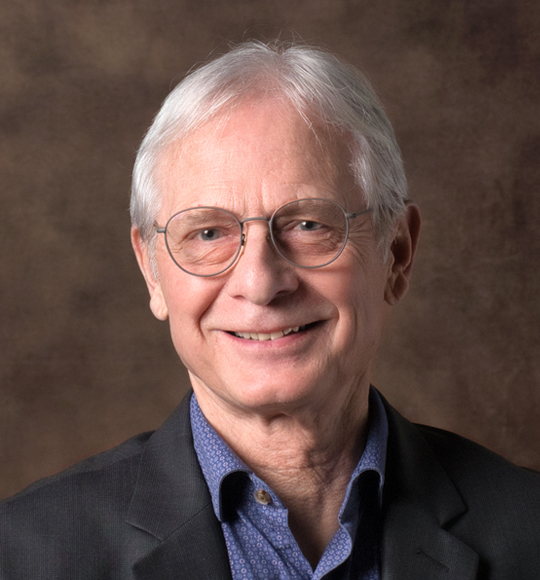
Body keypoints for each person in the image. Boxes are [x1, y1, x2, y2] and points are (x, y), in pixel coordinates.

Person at [0, 40, 539, 580]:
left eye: (309, 225)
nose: (259, 283)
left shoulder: (527, 532)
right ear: (153, 272)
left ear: (396, 254)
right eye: (208, 232)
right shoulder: (24, 554)